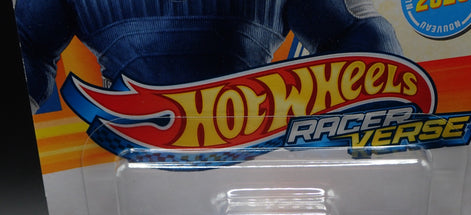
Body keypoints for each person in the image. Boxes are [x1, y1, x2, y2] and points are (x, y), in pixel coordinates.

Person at [15, 0, 403, 112]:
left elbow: (357, 37)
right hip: (132, 155)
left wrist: (381, 128)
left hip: (253, 153)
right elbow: (27, 44)